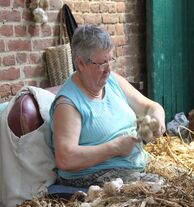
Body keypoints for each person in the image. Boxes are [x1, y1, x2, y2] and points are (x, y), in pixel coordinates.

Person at [49, 24, 166, 188]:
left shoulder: (112, 81)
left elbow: (150, 107)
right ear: (81, 63)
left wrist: (157, 120)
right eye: (102, 64)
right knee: (168, 191)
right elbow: (66, 158)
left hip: (132, 167)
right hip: (93, 176)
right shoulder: (68, 104)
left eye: (110, 60)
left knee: (190, 182)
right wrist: (115, 148)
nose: (108, 70)